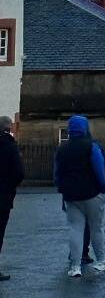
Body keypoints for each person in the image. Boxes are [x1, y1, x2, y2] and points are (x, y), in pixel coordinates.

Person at [54, 115, 105, 278]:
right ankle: (101, 261)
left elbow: (57, 173)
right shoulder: (92, 146)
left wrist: (61, 188)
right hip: (92, 193)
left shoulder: (62, 149)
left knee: (75, 229)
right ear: (85, 128)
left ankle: (75, 266)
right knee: (96, 228)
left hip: (71, 195)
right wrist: (103, 187)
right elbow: (99, 169)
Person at [0, 116, 24, 282]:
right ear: (9, 128)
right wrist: (10, 186)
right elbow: (19, 172)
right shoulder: (9, 146)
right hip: (3, 196)